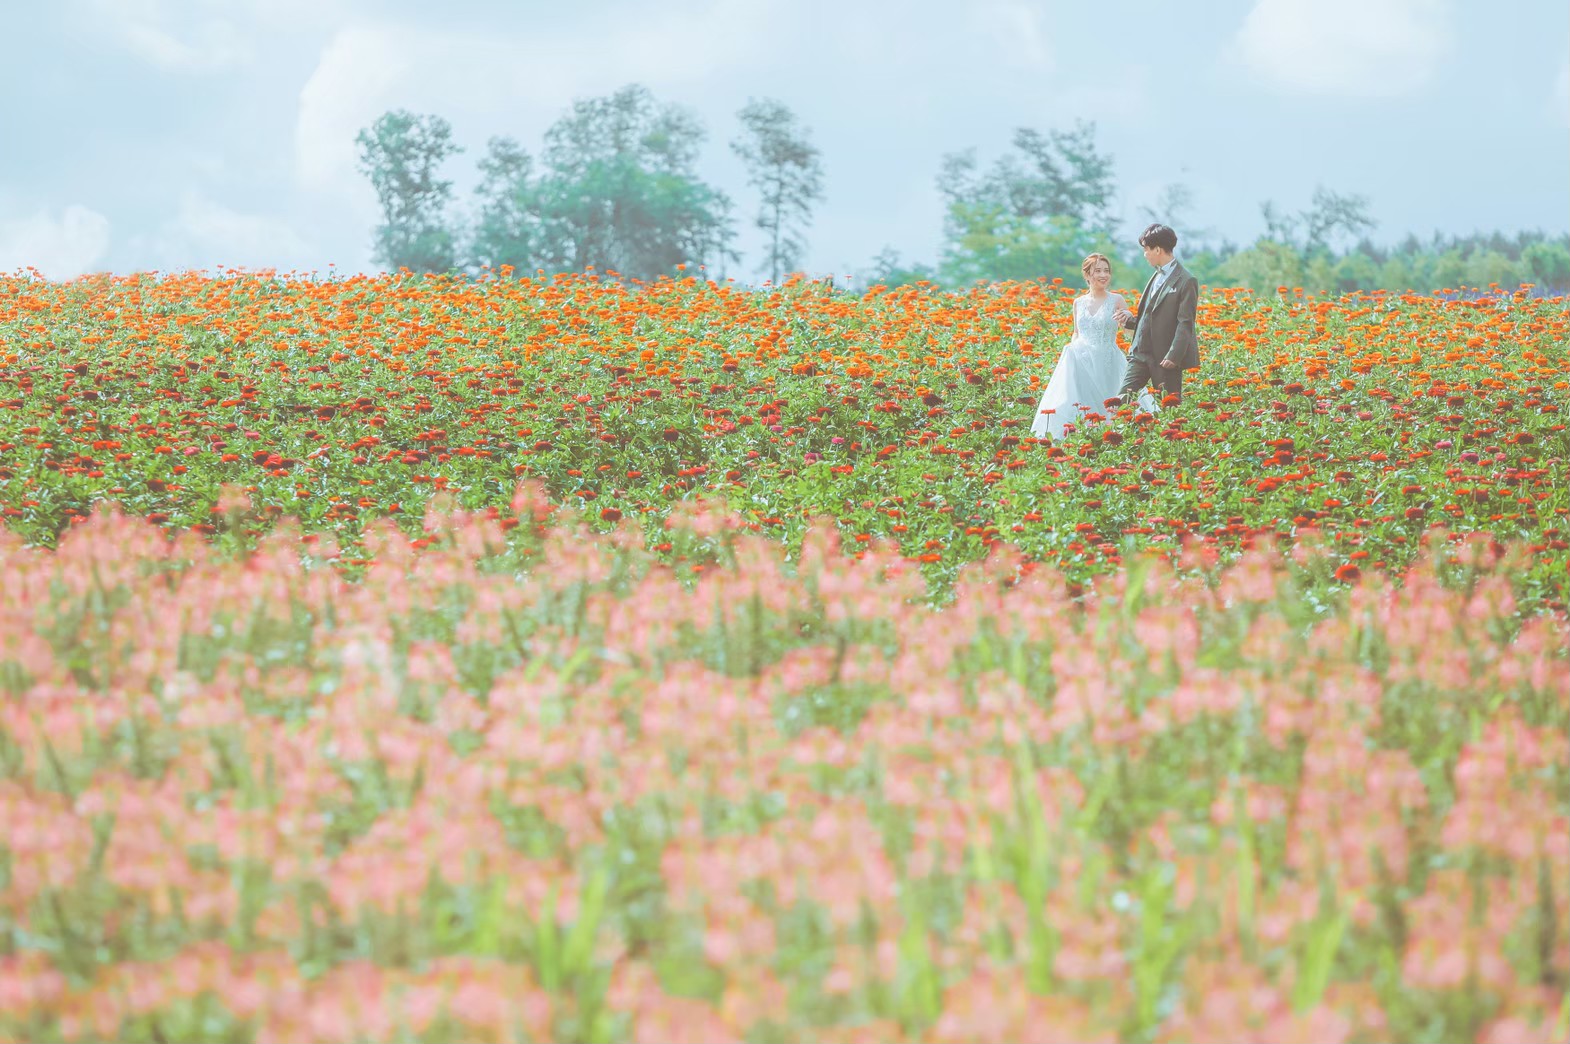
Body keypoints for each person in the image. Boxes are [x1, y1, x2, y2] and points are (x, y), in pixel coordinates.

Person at [1031, 253, 1155, 440]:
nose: (1103, 275)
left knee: (1114, 402)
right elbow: (1077, 332)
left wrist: (1128, 318)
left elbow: (1131, 333)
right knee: (1076, 401)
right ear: (1087, 275)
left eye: (1106, 271)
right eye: (1097, 271)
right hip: (1081, 358)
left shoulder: (1116, 300)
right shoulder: (1078, 303)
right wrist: (1074, 348)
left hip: (1108, 358)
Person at [1111, 223, 1199, 407]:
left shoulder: (1186, 280)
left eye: (1146, 249)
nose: (1144, 254)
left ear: (1157, 249)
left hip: (1166, 358)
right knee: (1119, 402)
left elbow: (1185, 323)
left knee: (1170, 410)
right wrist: (1129, 321)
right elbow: (1150, 315)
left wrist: (1174, 356)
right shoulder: (1155, 276)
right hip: (1139, 354)